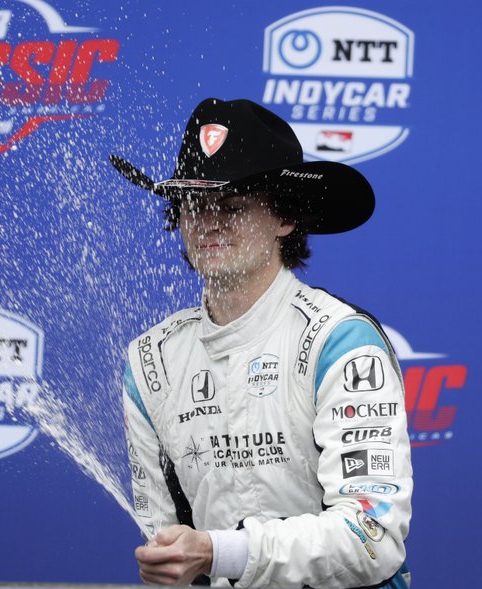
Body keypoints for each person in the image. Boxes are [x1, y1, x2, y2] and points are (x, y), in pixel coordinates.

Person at [111, 98, 412, 588]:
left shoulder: (340, 341)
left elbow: (372, 539)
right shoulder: (150, 361)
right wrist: (182, 559)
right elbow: (167, 546)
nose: (209, 222)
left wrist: (216, 551)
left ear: (286, 218)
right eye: (194, 205)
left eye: (232, 206)